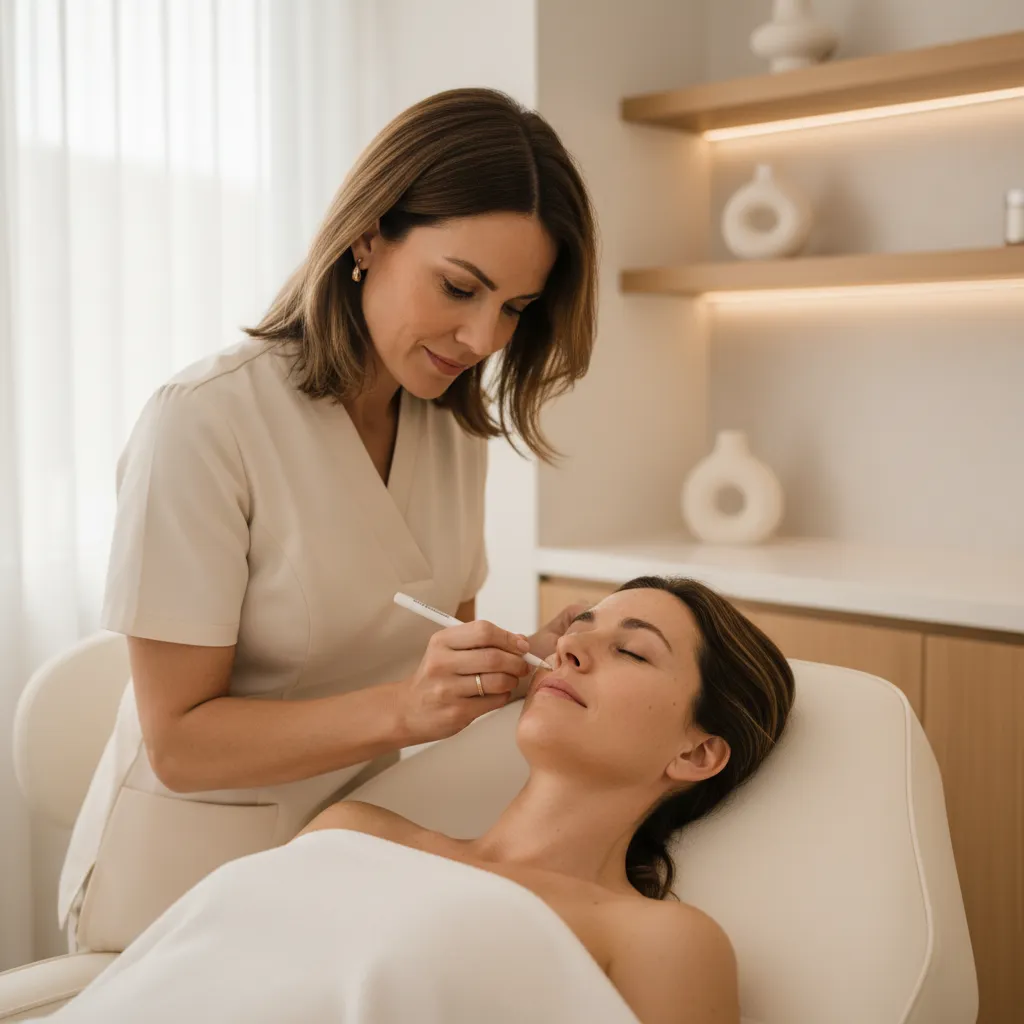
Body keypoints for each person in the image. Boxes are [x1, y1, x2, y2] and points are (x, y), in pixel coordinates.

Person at [59, 86, 599, 954]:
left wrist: (513, 665)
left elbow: (432, 656)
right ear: (368, 235)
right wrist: (407, 708)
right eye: (461, 287)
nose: (482, 338)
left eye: (514, 309)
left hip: (353, 866)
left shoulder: (453, 430)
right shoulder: (205, 421)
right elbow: (181, 745)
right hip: (185, 885)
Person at [45, 577, 795, 1024]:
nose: (567, 649)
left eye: (630, 651)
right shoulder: (357, 827)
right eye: (579, 631)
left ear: (697, 752)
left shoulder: (659, 939)